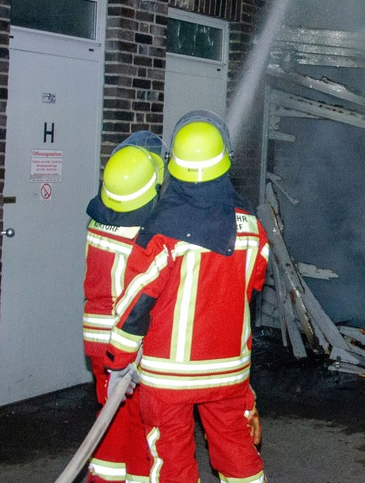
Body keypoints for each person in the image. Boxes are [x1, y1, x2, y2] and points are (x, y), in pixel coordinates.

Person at [106, 111, 268, 483]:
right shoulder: (252, 227)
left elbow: (135, 305)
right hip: (229, 370)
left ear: (174, 168)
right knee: (237, 450)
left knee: (172, 460)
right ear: (225, 162)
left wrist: (118, 362)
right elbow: (253, 287)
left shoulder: (161, 231)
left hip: (169, 377)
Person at [83, 131, 165, 483]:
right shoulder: (144, 235)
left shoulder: (98, 220)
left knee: (113, 421)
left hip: (96, 339)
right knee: (139, 426)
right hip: (126, 341)